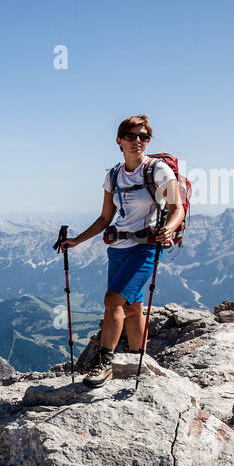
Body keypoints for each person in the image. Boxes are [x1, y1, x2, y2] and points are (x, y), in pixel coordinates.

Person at [56, 114, 185, 387]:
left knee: (112, 300)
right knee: (132, 308)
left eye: (144, 136)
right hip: (117, 248)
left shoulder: (159, 171)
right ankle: (139, 359)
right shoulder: (113, 176)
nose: (138, 141)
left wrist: (170, 229)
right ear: (119, 141)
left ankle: (104, 363)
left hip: (145, 248)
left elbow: (177, 208)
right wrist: (77, 240)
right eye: (131, 136)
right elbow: (105, 218)